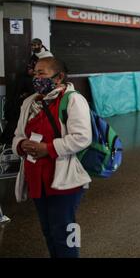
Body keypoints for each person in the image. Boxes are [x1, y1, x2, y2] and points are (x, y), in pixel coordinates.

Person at [12, 57, 92, 258]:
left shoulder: (73, 100)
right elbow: (18, 135)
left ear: (59, 77)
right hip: (36, 178)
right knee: (48, 230)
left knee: (65, 231)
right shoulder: (29, 102)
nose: (36, 77)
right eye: (35, 73)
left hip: (63, 179)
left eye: (42, 73)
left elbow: (82, 137)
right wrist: (21, 145)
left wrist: (48, 148)